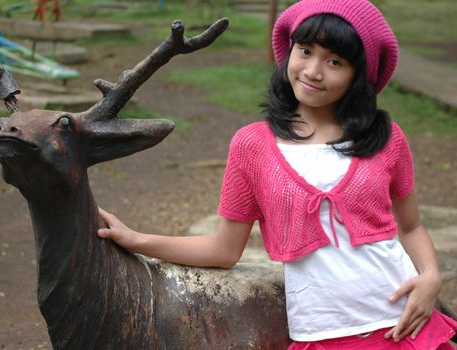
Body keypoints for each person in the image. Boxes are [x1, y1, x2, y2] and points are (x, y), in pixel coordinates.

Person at [97, 0, 457, 348]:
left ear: (357, 75)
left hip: (400, 324)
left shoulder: (386, 139)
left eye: (334, 61)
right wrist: (137, 240)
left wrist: (430, 277)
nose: (313, 71)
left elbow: (410, 226)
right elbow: (224, 249)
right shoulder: (252, 145)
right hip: (320, 333)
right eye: (305, 51)